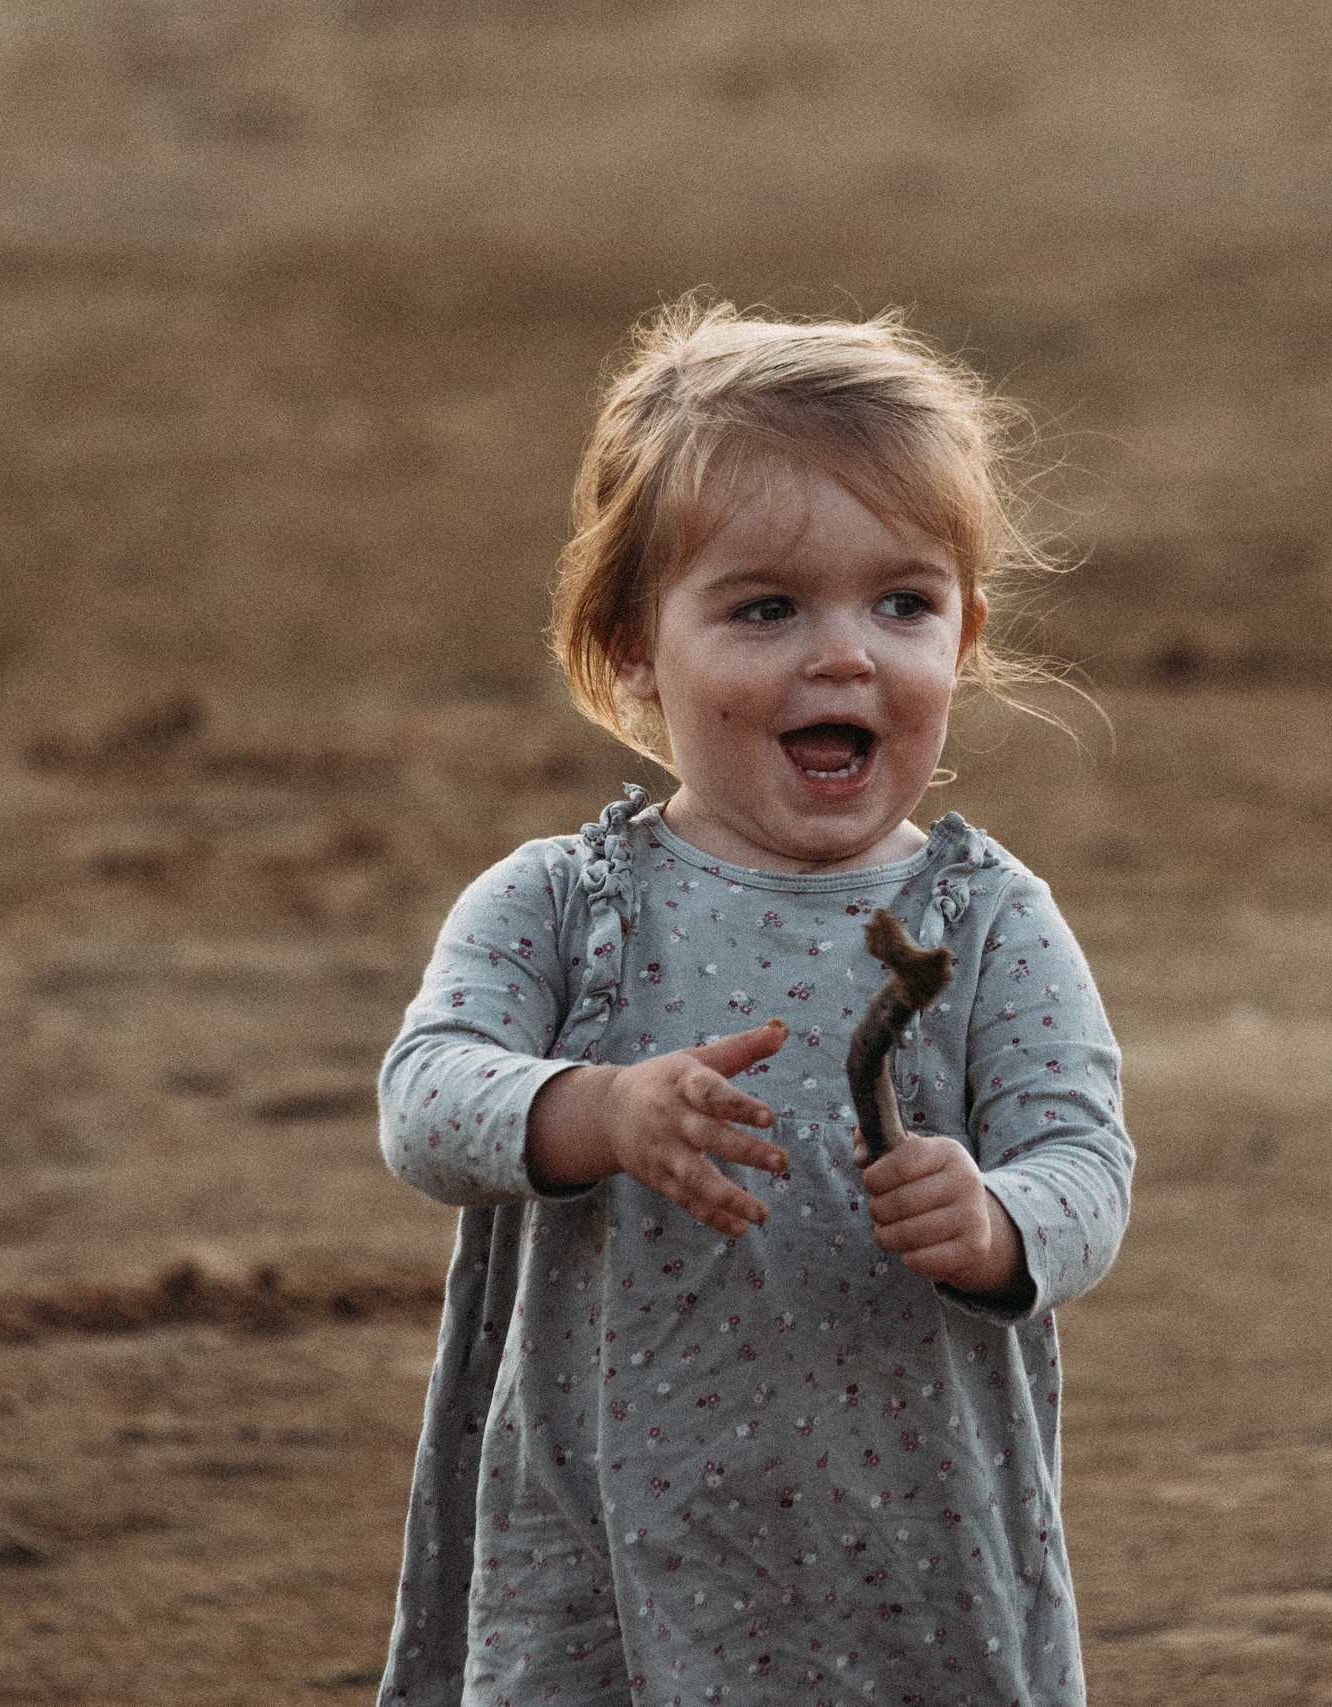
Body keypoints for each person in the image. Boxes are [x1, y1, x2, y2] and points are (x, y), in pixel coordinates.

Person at [374, 298, 1132, 1707]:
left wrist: (1002, 1220)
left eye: (901, 604)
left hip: (909, 1546)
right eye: (767, 607)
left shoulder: (988, 919)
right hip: (612, 1543)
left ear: (963, 639)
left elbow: (1087, 1158)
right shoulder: (557, 904)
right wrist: (593, 1110)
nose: (842, 655)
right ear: (629, 649)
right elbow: (424, 1101)